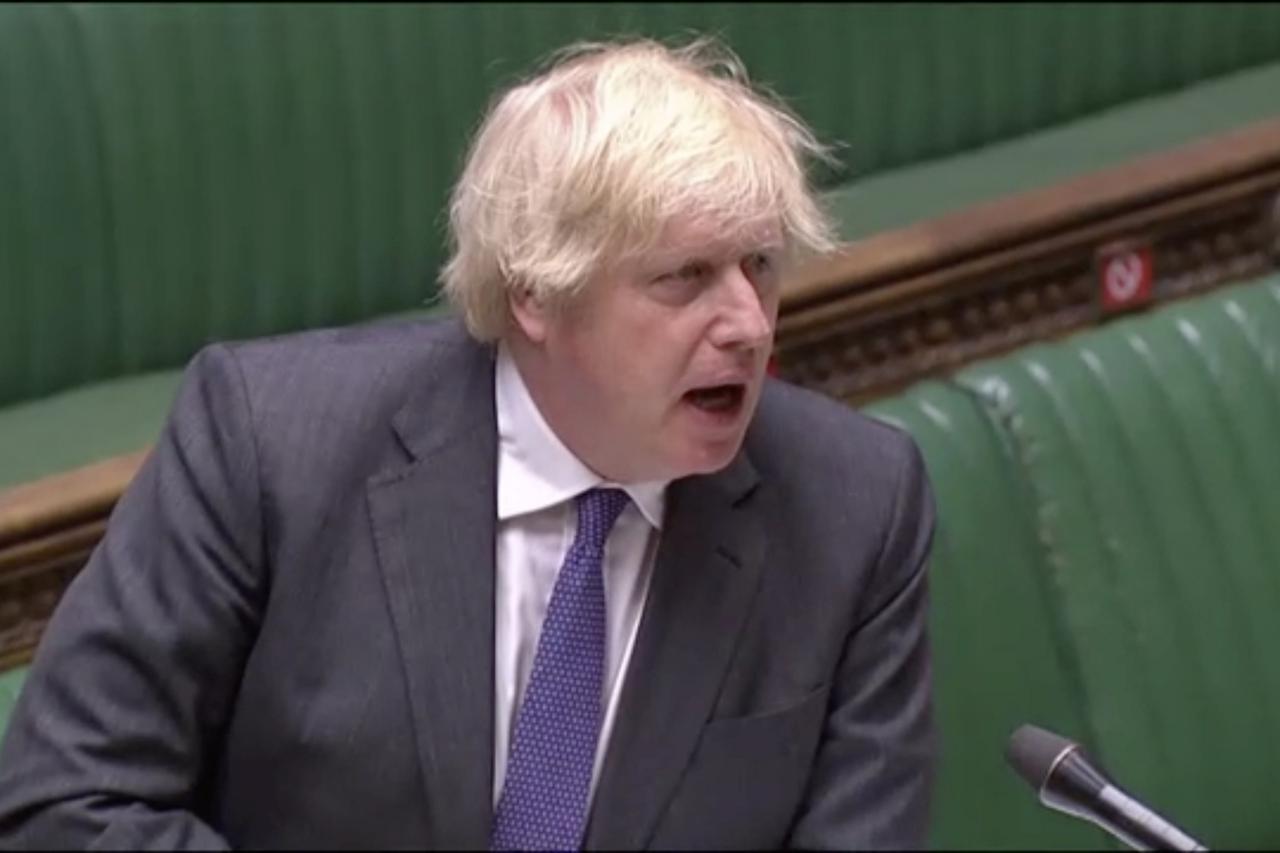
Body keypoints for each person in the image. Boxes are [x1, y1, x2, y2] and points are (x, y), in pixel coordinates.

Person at [0, 37, 936, 850]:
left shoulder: (854, 504)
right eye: (685, 276)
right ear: (535, 294)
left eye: (759, 267)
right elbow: (67, 801)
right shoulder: (270, 442)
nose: (747, 323)